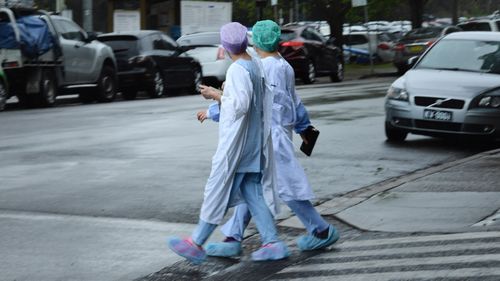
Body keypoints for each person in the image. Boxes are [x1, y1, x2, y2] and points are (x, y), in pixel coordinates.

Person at [197, 20, 340, 258]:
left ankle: (321, 230)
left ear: (256, 41)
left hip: (269, 137)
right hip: (273, 135)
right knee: (251, 186)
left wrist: (215, 105)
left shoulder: (261, 67)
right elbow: (294, 102)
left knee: (285, 186)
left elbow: (250, 104)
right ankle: (233, 237)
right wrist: (304, 128)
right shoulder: (284, 66)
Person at [168, 22, 289, 264]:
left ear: (225, 45)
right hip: (255, 142)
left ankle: (196, 242)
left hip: (240, 148)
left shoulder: (238, 70)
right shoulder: (254, 63)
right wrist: (223, 95)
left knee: (219, 192)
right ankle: (272, 243)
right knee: (253, 193)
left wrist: (215, 95)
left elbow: (240, 105)